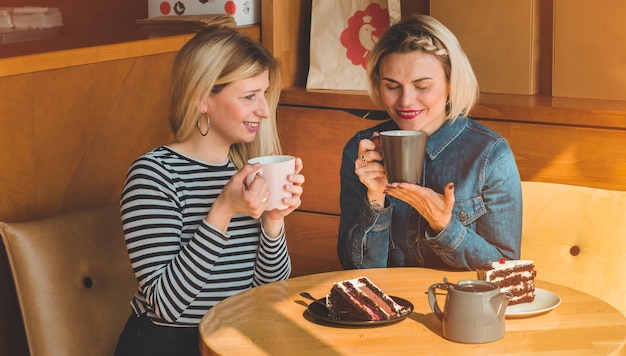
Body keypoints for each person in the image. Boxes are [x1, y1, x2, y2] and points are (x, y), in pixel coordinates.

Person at [114, 25, 304, 356]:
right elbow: (166, 306)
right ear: (202, 98)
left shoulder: (243, 171)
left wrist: (274, 223)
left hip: (235, 340)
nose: (264, 110)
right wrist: (223, 211)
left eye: (264, 94)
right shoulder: (153, 174)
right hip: (168, 346)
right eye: (249, 97)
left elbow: (268, 292)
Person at [338, 15, 522, 271]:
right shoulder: (362, 150)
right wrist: (375, 200)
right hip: (389, 306)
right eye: (392, 86)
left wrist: (445, 226)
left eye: (422, 86)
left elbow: (508, 270)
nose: (405, 101)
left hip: (461, 308)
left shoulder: (490, 155)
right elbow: (356, 271)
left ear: (451, 82)